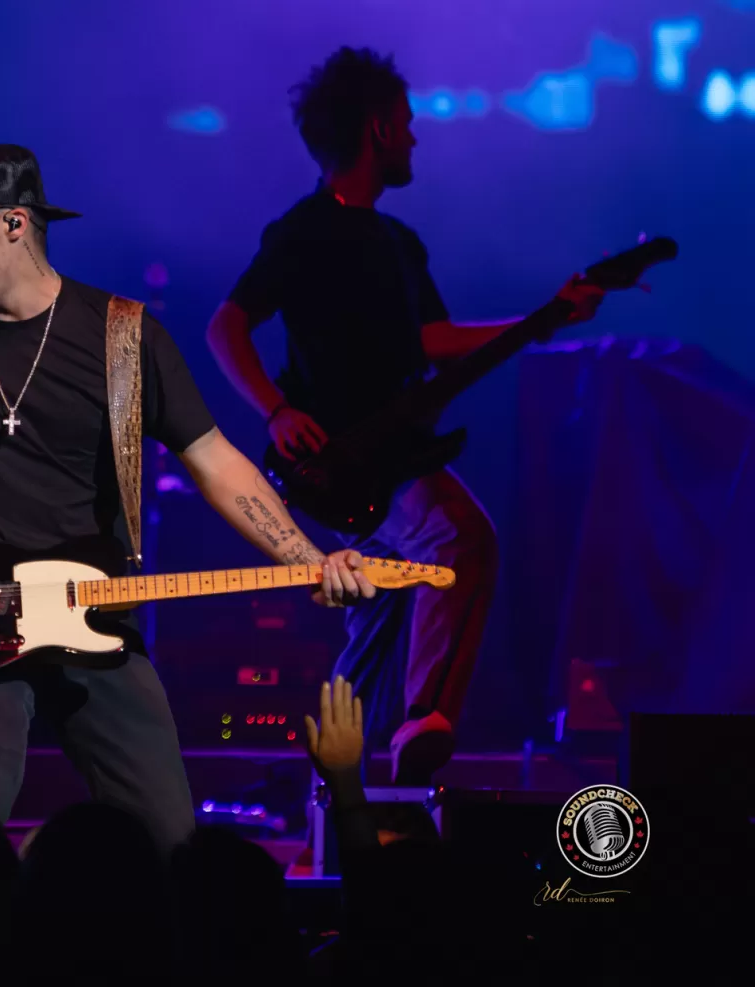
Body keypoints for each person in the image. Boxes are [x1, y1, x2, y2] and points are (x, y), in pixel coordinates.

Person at [0, 142, 375, 852]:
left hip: (93, 614)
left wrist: (308, 559)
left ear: (13, 223)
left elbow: (215, 460)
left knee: (168, 831)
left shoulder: (123, 337)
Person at [206, 47, 605, 783]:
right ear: (380, 130)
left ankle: (335, 782)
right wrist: (277, 411)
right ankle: (425, 717)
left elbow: (434, 341)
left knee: (383, 613)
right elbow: (225, 327)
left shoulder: (398, 242)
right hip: (342, 464)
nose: (416, 138)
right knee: (460, 540)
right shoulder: (302, 232)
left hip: (394, 453)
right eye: (408, 123)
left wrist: (545, 317)